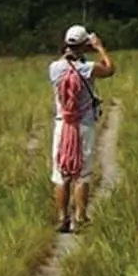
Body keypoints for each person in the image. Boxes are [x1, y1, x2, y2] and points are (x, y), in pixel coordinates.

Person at [50, 24, 114, 233]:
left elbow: (66, 64)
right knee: (82, 173)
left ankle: (62, 217)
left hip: (62, 124)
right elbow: (110, 69)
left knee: (62, 173)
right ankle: (80, 216)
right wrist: (99, 47)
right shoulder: (89, 68)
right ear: (84, 45)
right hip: (83, 124)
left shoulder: (54, 68)